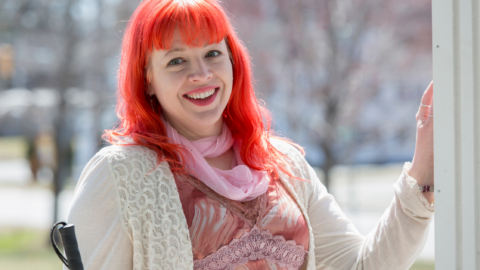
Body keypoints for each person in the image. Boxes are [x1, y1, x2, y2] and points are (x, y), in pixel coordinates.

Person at [65, 0, 435, 269]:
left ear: (233, 62)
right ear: (147, 78)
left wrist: (422, 171)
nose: (201, 74)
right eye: (176, 60)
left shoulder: (283, 163)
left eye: (212, 53)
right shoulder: (120, 175)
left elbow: (362, 266)